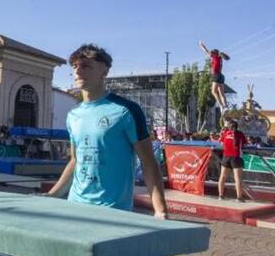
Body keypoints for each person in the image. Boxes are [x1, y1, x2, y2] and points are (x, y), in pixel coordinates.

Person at [46, 44, 168, 218]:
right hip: (74, 207)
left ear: (104, 71)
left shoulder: (127, 110)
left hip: (112, 211)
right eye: (75, 67)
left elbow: (148, 161)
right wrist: (52, 195)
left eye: (86, 66)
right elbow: (75, 161)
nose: (78, 71)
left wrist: (160, 209)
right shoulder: (73, 115)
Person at [218, 120, 247, 201]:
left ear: (228, 127)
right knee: (237, 178)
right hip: (236, 157)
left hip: (226, 157)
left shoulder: (225, 133)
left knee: (222, 177)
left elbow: (220, 143)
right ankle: (239, 198)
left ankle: (220, 196)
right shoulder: (240, 134)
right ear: (237, 127)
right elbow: (245, 143)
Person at [198, 40, 230, 110]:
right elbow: (227, 58)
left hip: (216, 75)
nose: (210, 55)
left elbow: (206, 51)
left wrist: (201, 45)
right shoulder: (220, 58)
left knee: (213, 91)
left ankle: (221, 105)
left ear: (214, 53)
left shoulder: (214, 57)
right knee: (221, 93)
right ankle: (225, 106)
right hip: (221, 76)